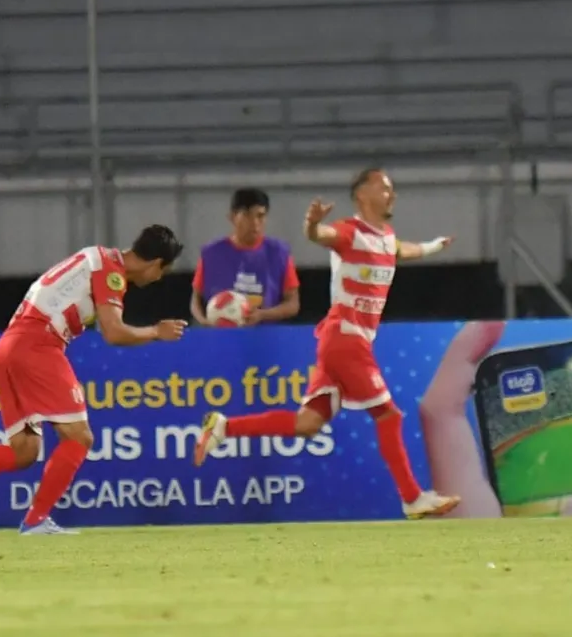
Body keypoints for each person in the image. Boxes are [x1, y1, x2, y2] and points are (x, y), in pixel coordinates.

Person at [193, 169, 461, 519]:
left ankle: (225, 427)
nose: (391, 195)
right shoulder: (350, 233)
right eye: (383, 188)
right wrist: (311, 226)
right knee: (389, 414)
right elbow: (322, 235)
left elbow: (402, 250)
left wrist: (433, 246)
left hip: (341, 341)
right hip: (346, 338)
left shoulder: (385, 237)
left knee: (307, 424)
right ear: (362, 196)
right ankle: (411, 497)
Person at [0, 225, 187, 535]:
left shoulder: (95, 257)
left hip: (8, 347)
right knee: (80, 437)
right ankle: (35, 521)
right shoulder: (111, 271)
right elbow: (113, 332)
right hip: (38, 345)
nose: (158, 279)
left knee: (25, 451)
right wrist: (156, 331)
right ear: (156, 264)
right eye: (162, 272)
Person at [190, 188, 300, 326]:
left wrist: (262, 315)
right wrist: (204, 322)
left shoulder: (279, 253)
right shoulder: (211, 253)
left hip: (265, 338)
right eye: (247, 215)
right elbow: (195, 300)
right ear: (232, 217)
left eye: (260, 216)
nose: (254, 223)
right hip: (221, 337)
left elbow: (293, 304)